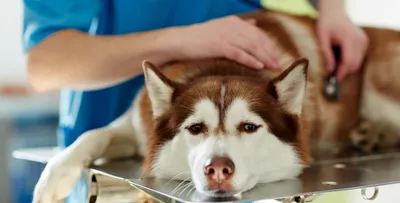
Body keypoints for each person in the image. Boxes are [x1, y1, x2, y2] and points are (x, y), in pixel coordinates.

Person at [23, 0, 368, 202]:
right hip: (123, 170)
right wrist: (181, 42)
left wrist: (333, 9)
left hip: (264, 169)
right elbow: (45, 63)